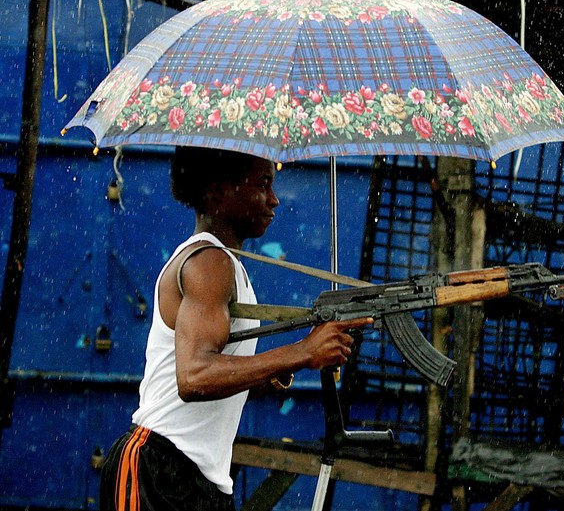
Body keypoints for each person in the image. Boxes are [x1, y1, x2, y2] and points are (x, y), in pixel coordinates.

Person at [99, 146, 370, 511]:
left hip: (199, 478)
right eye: (263, 184)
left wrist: (289, 365)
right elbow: (194, 377)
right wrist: (303, 352)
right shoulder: (210, 262)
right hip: (158, 468)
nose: (273, 200)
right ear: (218, 190)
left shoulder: (228, 264)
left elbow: (219, 380)